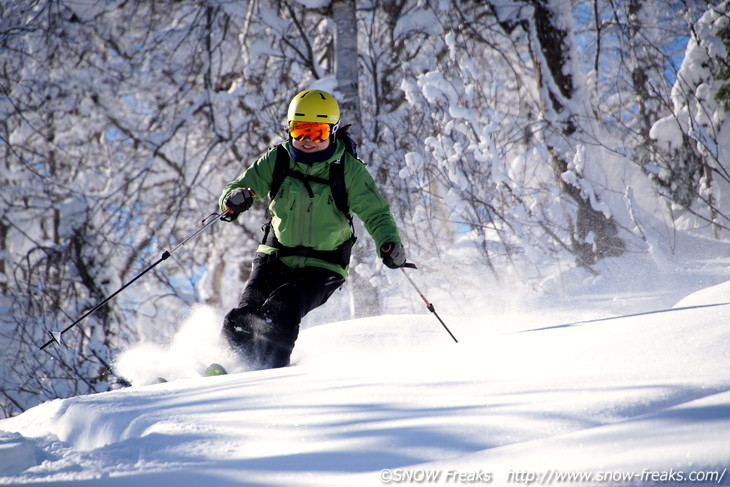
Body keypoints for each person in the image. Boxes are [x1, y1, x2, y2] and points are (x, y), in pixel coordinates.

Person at [218, 89, 407, 370]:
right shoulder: (277, 159)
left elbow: (376, 213)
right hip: (276, 256)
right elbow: (236, 189)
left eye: (316, 132)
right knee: (244, 315)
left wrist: (389, 243)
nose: (306, 140)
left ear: (331, 132)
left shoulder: (349, 171)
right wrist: (233, 200)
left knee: (282, 306)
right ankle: (227, 366)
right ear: (290, 129)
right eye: (300, 130)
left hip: (324, 265)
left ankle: (268, 373)